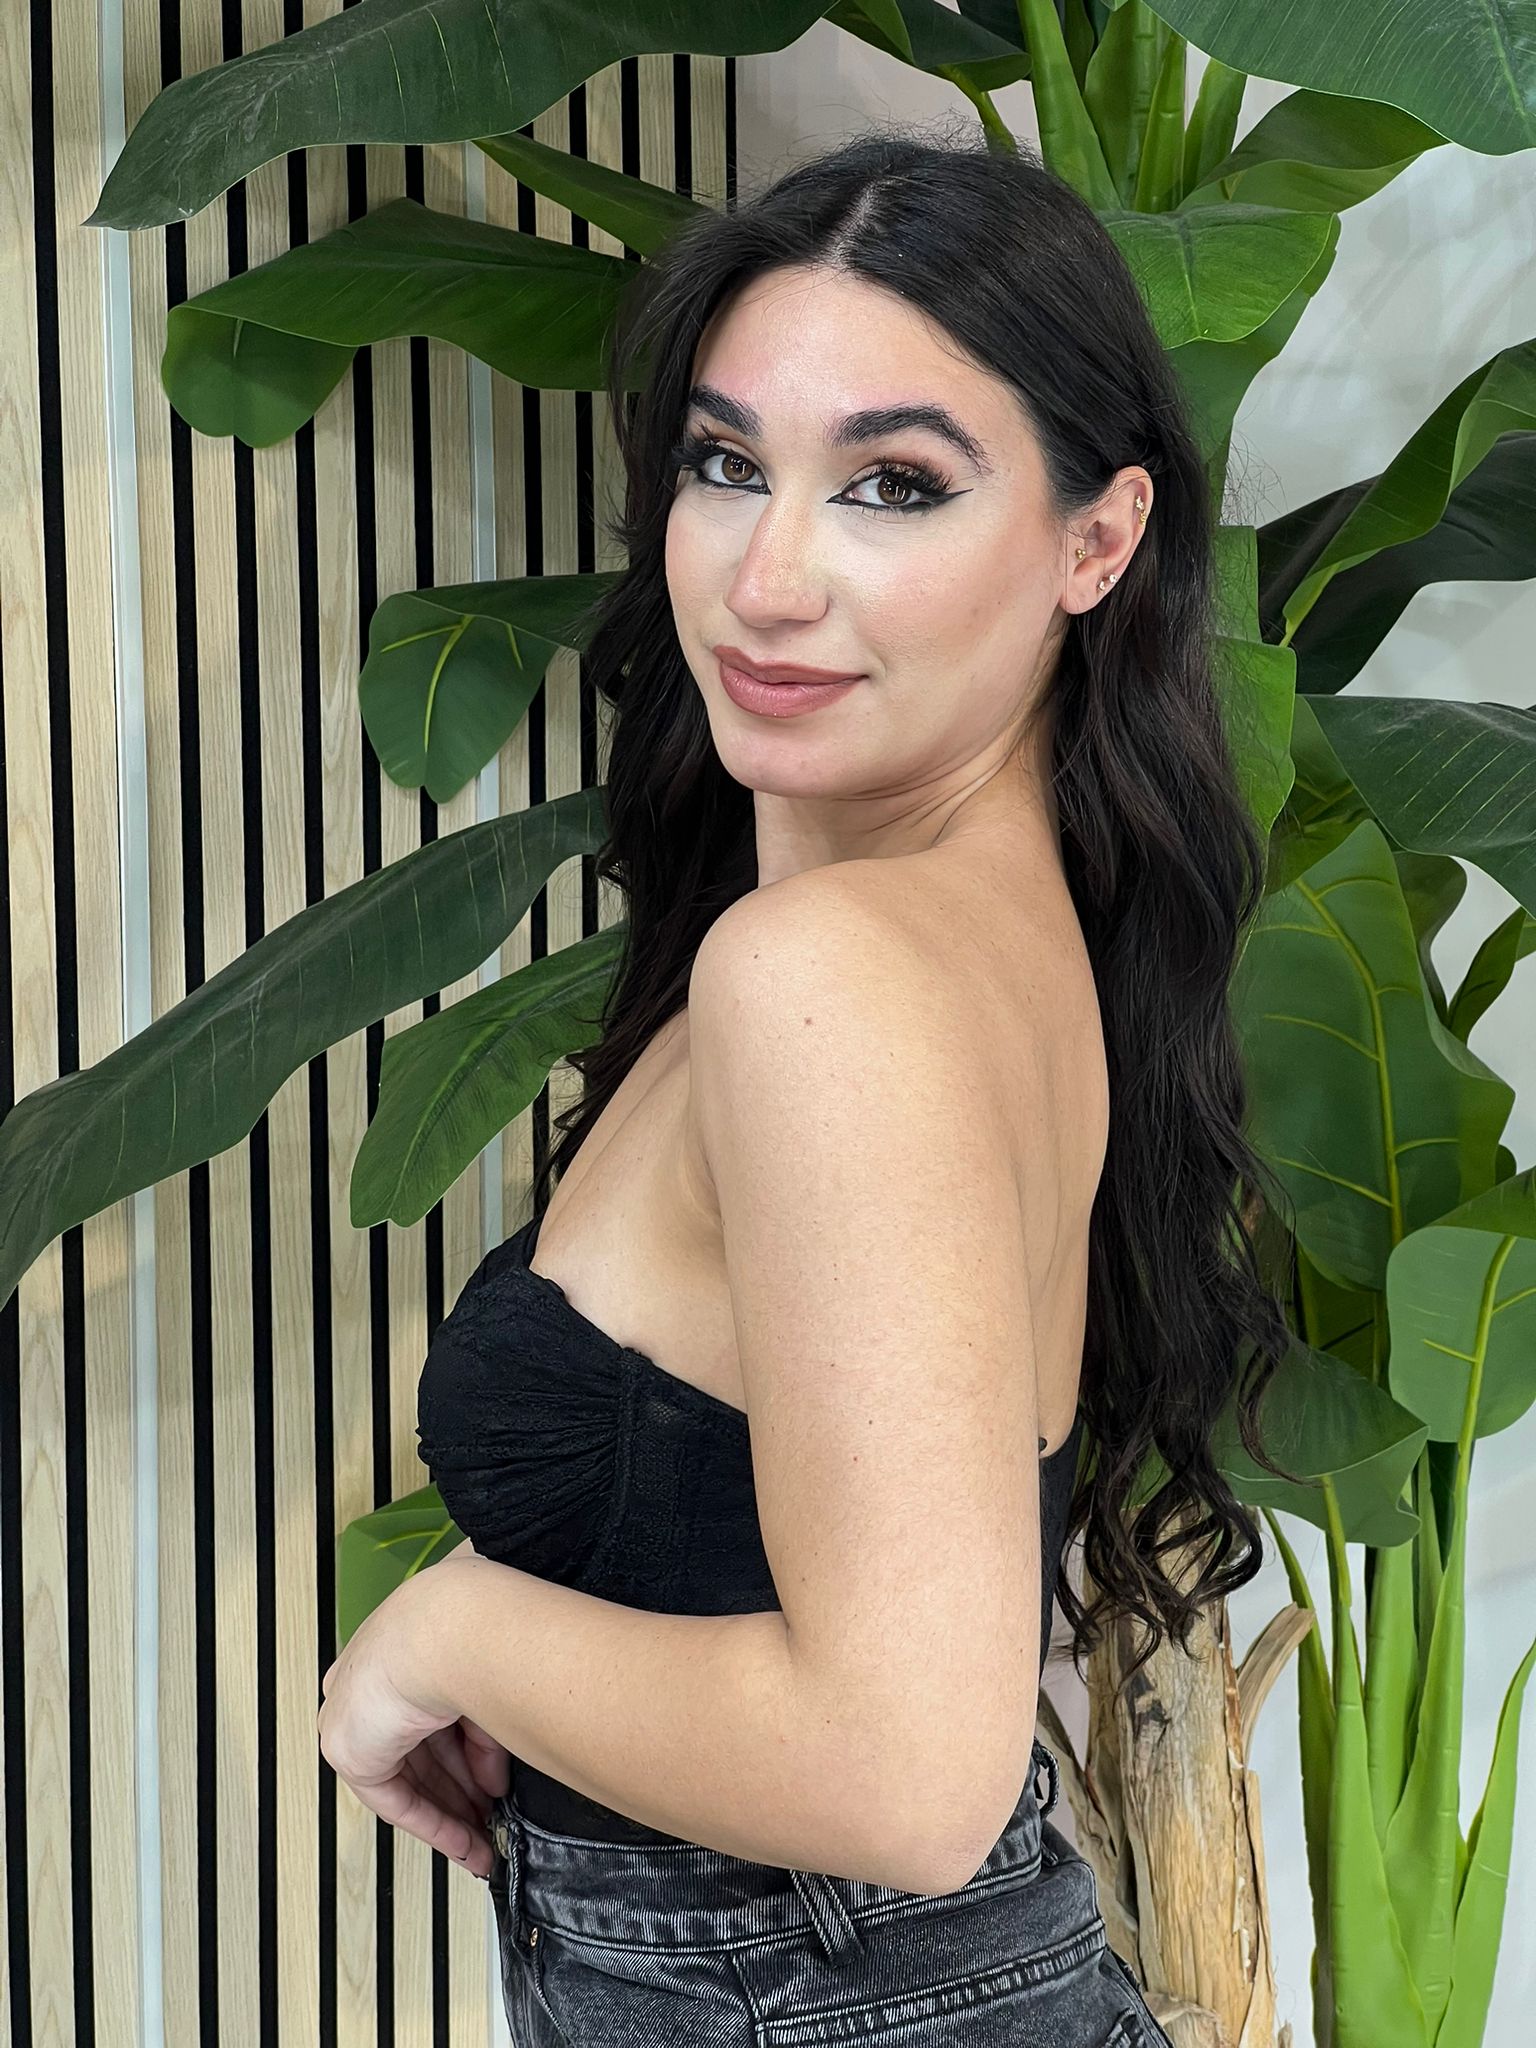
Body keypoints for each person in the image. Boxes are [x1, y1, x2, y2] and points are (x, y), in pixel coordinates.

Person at [320, 125, 1297, 2046]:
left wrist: (443, 1633)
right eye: (725, 465)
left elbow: (906, 1778)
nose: (767, 579)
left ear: (1096, 543)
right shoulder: (975, 929)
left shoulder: (830, 975)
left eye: (893, 486)